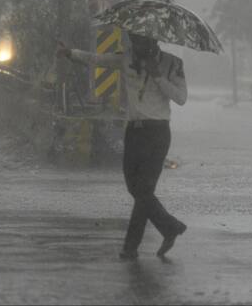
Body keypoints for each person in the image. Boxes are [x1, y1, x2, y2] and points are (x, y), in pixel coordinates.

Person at [56, 33, 188, 260]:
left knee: (144, 191)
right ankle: (169, 226)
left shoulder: (173, 63)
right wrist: (71, 53)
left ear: (153, 41)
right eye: (133, 41)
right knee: (134, 188)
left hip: (157, 132)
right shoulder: (126, 58)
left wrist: (157, 76)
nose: (136, 46)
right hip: (134, 131)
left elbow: (181, 97)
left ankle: (131, 247)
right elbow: (97, 60)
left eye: (141, 41)